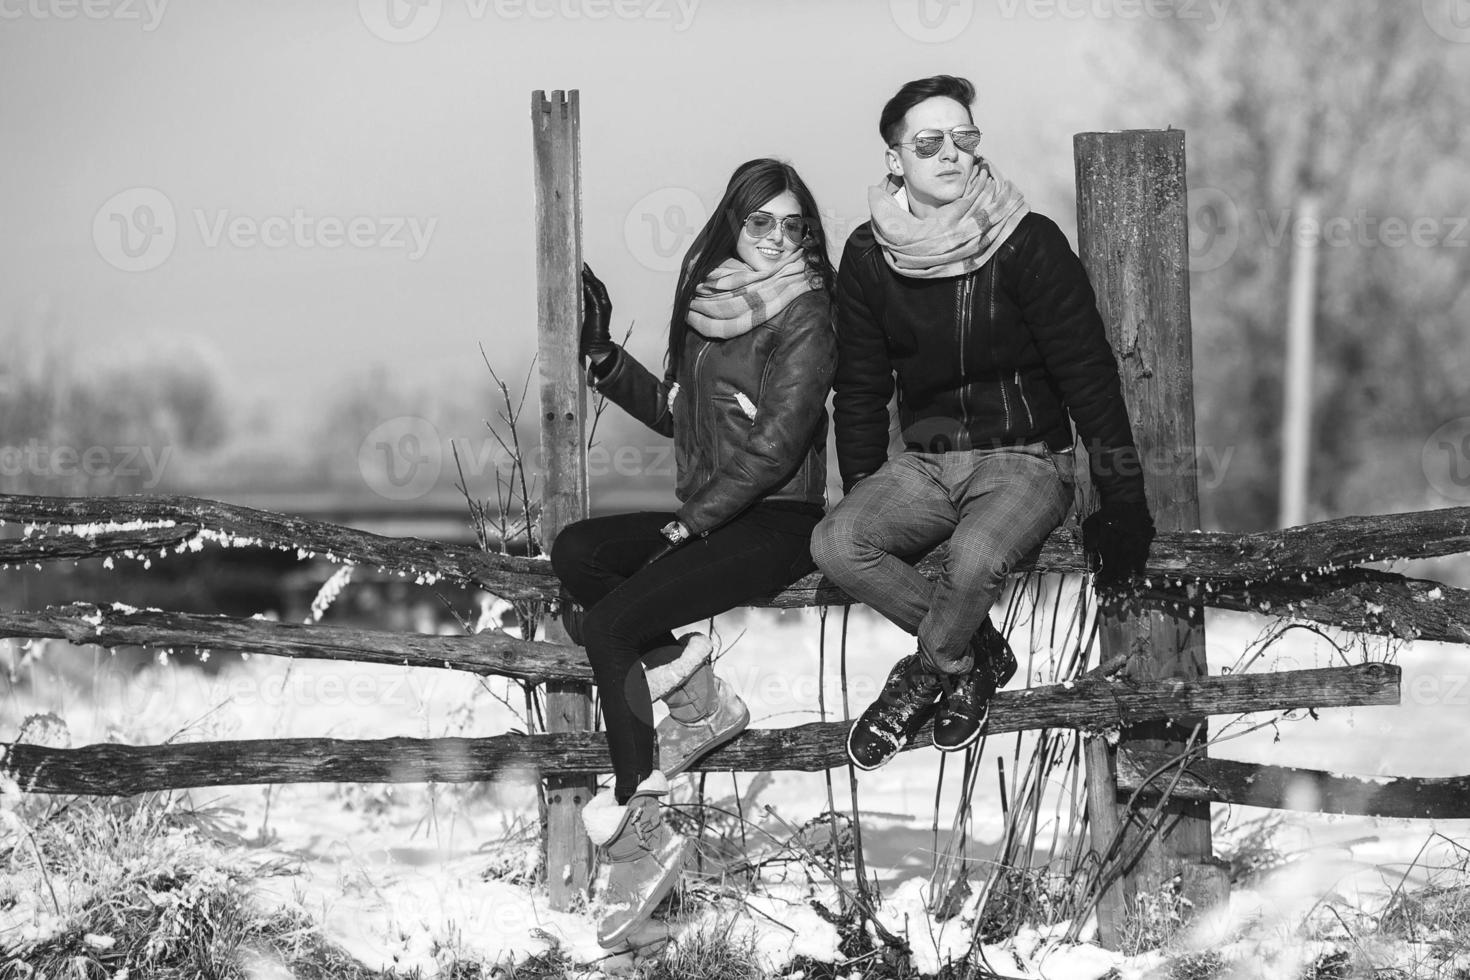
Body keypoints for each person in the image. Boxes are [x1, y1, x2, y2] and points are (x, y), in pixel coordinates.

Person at [809, 75, 1156, 772]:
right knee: (838, 542)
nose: (951, 153)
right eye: (929, 141)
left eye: (964, 137)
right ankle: (974, 658)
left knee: (974, 557)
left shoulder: (1028, 243)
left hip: (1025, 461)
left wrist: (1123, 498)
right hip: (927, 464)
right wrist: (865, 485)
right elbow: (862, 386)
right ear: (894, 158)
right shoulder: (870, 257)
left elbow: (1086, 372)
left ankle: (927, 672)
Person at [550, 157, 838, 948]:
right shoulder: (713, 305)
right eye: (762, 222)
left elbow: (779, 446)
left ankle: (641, 836)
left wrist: (693, 522)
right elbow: (684, 413)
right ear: (732, 225)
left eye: (793, 225)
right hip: (715, 513)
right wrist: (605, 357)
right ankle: (702, 701)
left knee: (608, 627)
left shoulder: (808, 314)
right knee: (578, 552)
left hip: (774, 519)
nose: (779, 238)